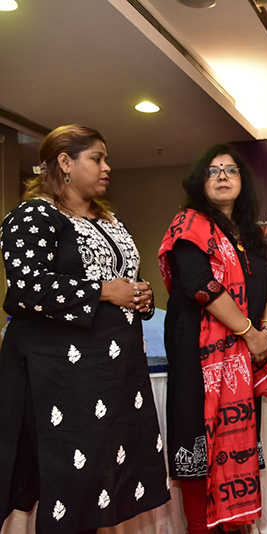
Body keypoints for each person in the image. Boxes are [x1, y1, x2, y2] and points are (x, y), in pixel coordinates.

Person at [0, 125, 169, 533]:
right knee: (67, 477)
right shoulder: (35, 215)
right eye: (97, 158)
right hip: (61, 376)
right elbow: (27, 286)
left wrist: (141, 295)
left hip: (112, 374)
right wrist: (103, 291)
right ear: (65, 162)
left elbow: (124, 279)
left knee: (99, 475)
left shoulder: (108, 219)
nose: (107, 167)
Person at [158, 145, 267, 533]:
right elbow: (202, 286)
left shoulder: (247, 235)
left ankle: (235, 524)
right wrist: (249, 333)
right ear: (200, 183)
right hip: (198, 359)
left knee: (238, 444)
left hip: (244, 360)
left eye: (231, 170)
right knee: (198, 441)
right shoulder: (188, 226)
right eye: (213, 171)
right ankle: (201, 526)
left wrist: (264, 333)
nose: (223, 176)